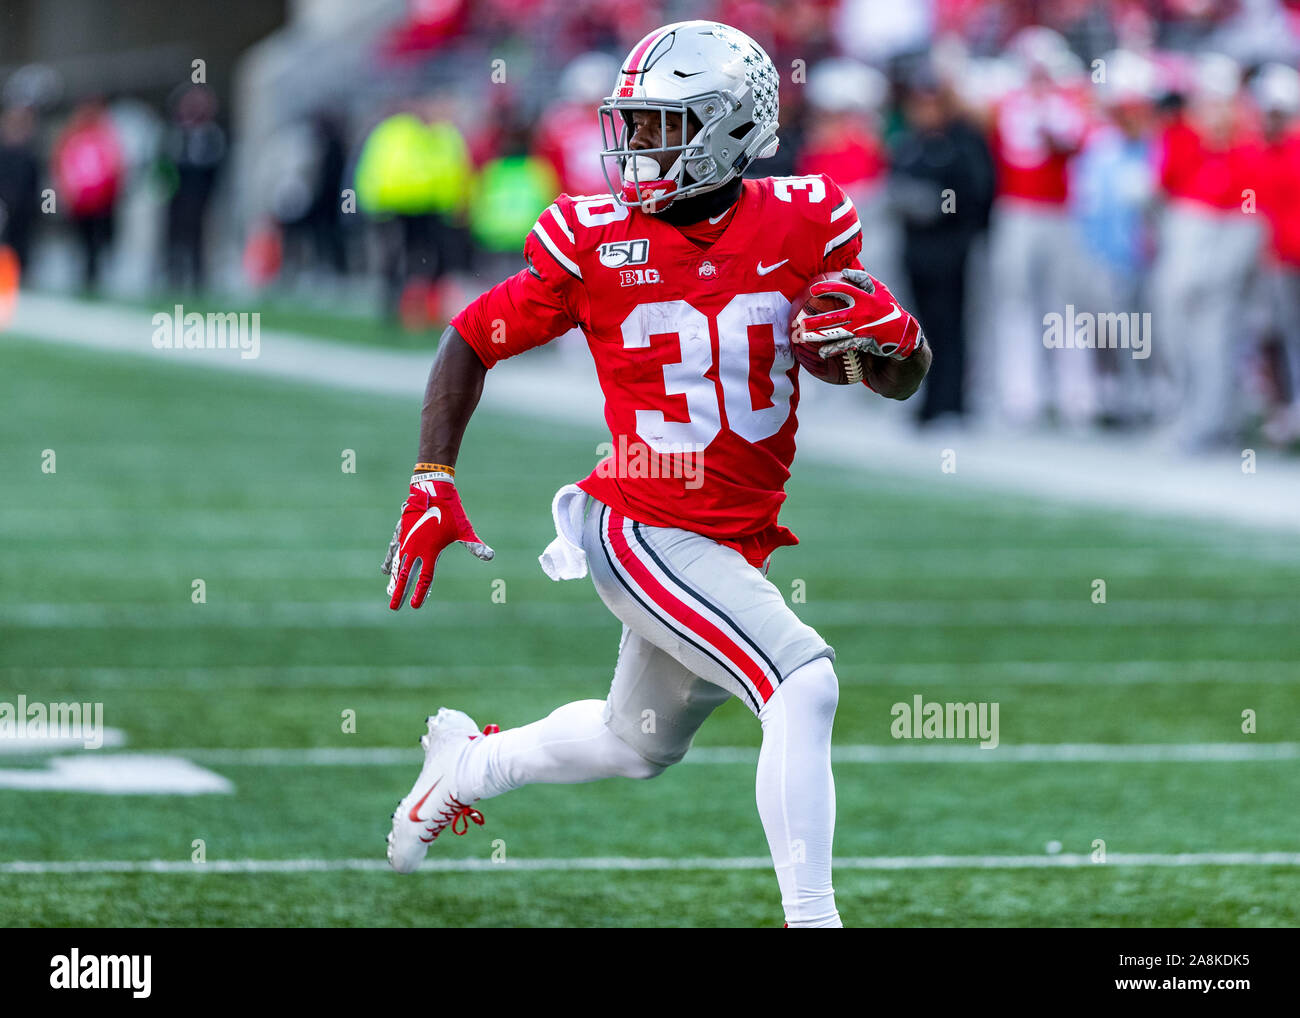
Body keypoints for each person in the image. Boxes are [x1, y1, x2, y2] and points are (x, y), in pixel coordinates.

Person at [379, 19, 930, 928]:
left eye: (661, 126)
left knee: (630, 742)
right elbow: (470, 337)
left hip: (728, 535)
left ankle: (467, 767)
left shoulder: (808, 220)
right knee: (803, 681)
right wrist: (433, 472)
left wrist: (897, 345)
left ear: (729, 125)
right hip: (639, 519)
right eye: (631, 124)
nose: (634, 146)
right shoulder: (593, 238)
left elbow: (892, 376)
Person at [890, 65, 993, 424]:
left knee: (951, 325)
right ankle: (928, 400)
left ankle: (952, 401)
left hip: (951, 251)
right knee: (920, 327)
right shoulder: (910, 144)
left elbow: (976, 193)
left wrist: (938, 205)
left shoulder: (962, 142)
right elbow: (895, 182)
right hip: (917, 251)